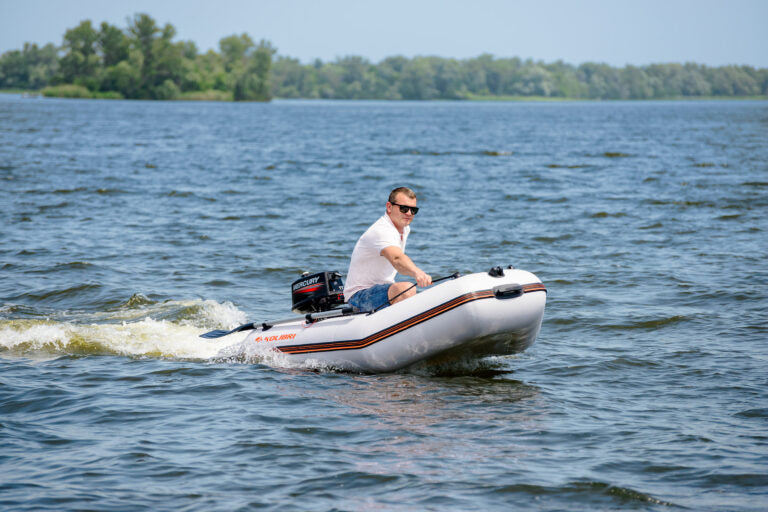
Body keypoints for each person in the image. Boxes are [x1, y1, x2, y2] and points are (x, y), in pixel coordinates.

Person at [344, 186, 432, 312]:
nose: (409, 213)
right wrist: (417, 273)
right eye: (404, 208)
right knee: (406, 290)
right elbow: (396, 259)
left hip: (381, 290)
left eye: (413, 210)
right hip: (358, 296)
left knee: (411, 291)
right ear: (389, 207)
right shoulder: (382, 230)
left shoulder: (404, 229)